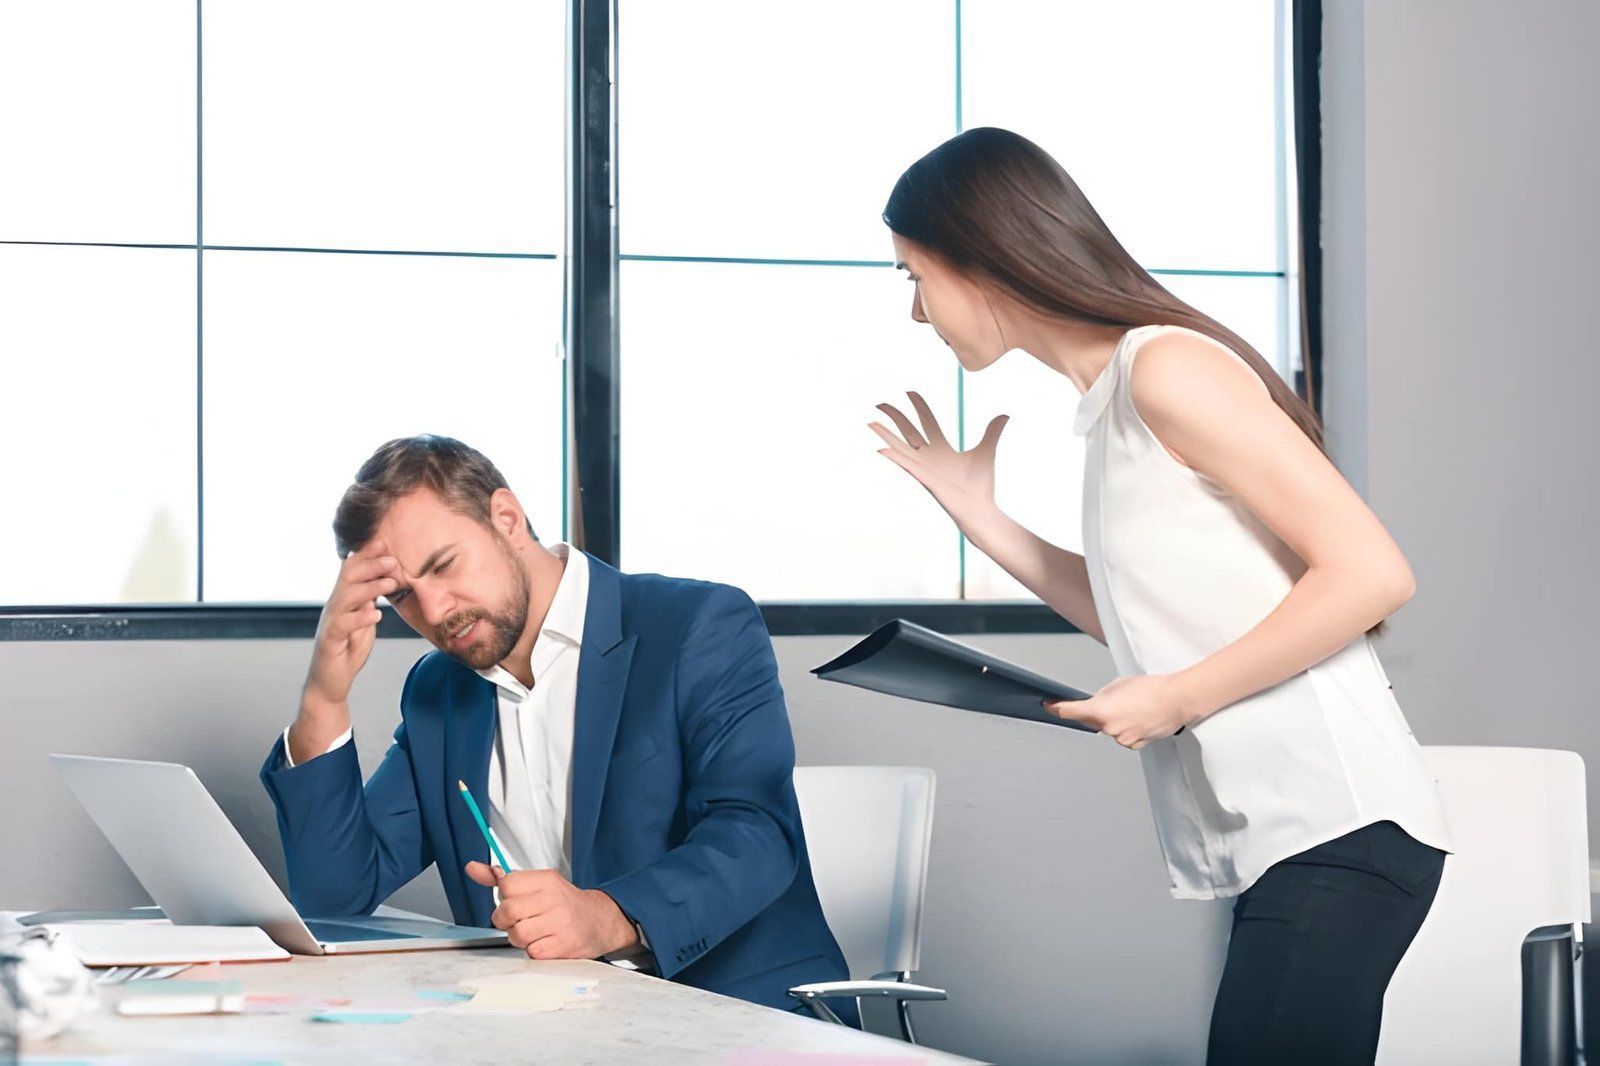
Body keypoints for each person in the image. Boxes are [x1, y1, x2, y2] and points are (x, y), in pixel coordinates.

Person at [871, 127, 1451, 1064]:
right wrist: (984, 518)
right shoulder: (1111, 411)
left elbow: (1373, 572)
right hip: (1289, 843)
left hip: (1341, 828)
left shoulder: (1168, 368)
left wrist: (1175, 698)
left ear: (981, 260)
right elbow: (1136, 623)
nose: (915, 312)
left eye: (913, 277)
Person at [259, 435, 850, 1017]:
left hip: (729, 1015)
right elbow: (337, 898)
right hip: (541, 1028)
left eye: (444, 566)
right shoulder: (437, 691)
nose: (435, 611)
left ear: (507, 517)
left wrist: (606, 917)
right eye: (404, 597)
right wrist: (323, 699)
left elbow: (756, 837)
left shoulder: (699, 625)